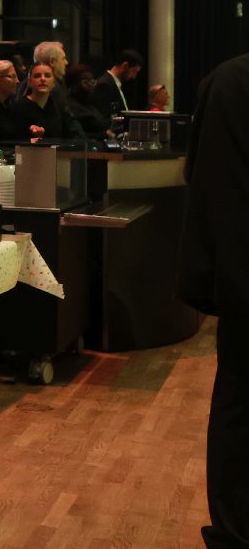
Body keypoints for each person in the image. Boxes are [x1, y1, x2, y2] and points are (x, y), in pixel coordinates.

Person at [178, 53, 249, 548]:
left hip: (239, 271)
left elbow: (194, 171)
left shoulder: (226, 79)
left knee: (237, 404)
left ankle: (232, 531)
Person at [9, 62, 83, 142]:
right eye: (37, 76)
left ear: (54, 83)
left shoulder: (59, 106)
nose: (43, 79)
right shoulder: (18, 107)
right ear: (30, 82)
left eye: (47, 76)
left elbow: (71, 136)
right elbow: (14, 140)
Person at [93, 49, 144, 119]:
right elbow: (102, 117)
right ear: (125, 66)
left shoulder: (113, 83)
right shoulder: (104, 85)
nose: (134, 76)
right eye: (134, 71)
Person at [65, 64, 110, 138]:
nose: (90, 85)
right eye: (85, 82)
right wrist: (105, 135)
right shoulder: (70, 106)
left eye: (92, 81)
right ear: (73, 84)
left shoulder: (89, 104)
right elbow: (77, 135)